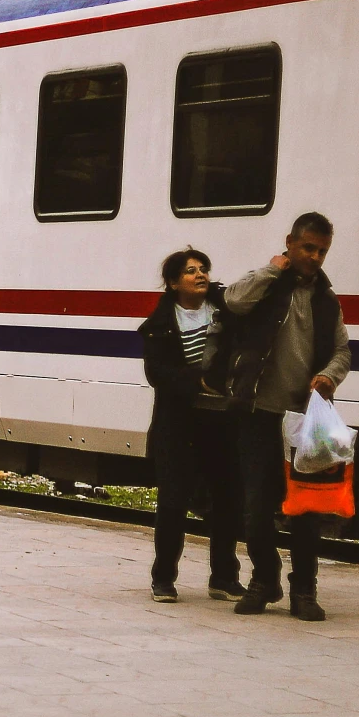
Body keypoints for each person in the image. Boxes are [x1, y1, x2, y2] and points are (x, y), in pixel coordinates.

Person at [222, 212, 351, 621]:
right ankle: (263, 580)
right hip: (259, 412)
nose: (315, 257)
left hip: (303, 422)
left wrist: (329, 376)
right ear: (290, 243)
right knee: (256, 506)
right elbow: (233, 299)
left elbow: (342, 352)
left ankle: (304, 591)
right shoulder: (265, 286)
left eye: (322, 251)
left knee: (306, 510)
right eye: (308, 247)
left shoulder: (327, 301)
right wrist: (271, 269)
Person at [139, 247, 242, 604]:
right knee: (173, 502)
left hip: (221, 419)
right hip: (178, 423)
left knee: (227, 498)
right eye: (190, 271)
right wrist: (195, 380)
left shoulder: (226, 309)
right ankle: (163, 578)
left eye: (203, 269)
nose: (200, 275)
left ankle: (224, 578)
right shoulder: (159, 325)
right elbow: (157, 373)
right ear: (172, 283)